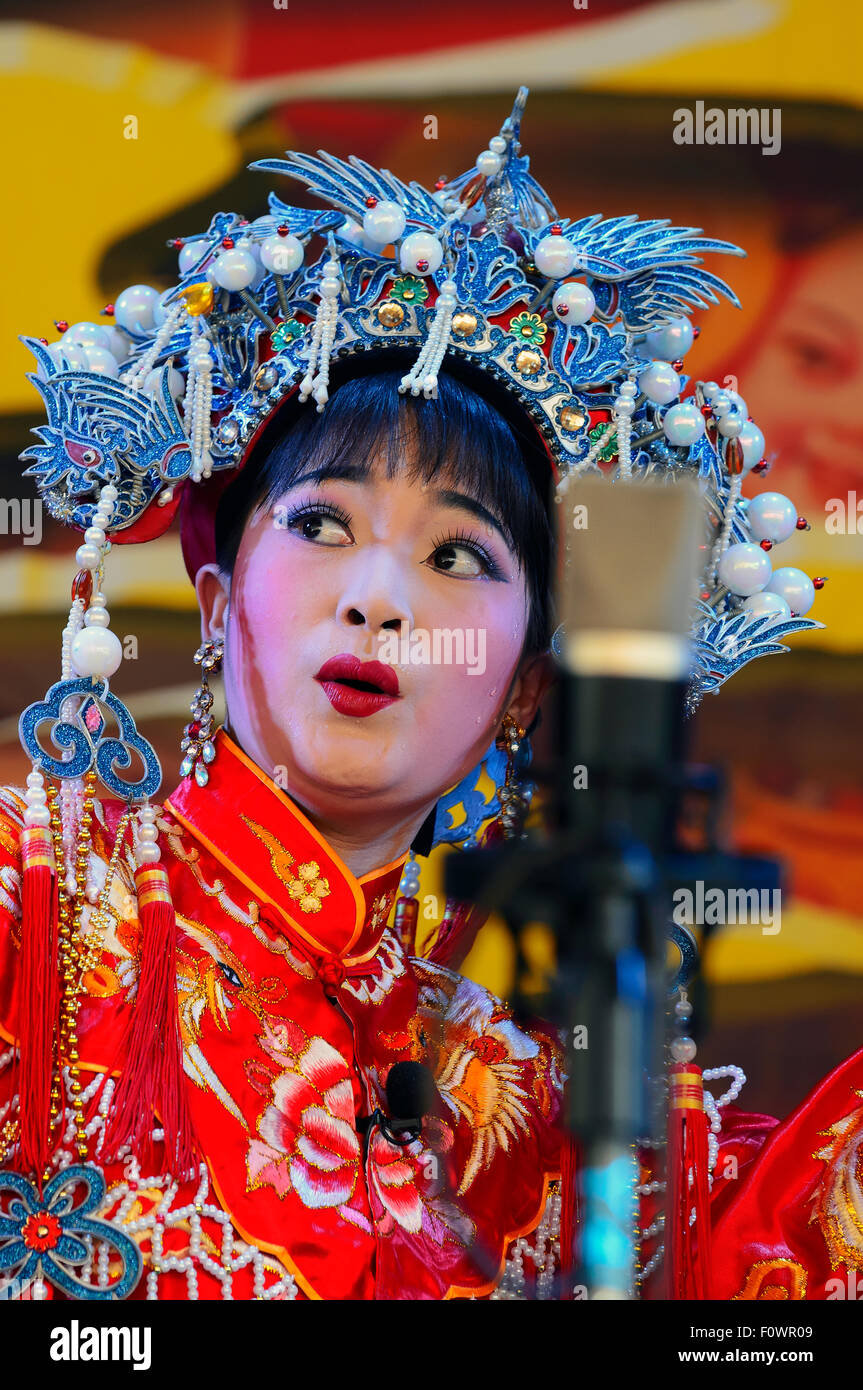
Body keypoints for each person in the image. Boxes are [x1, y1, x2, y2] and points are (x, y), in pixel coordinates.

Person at [0, 87, 858, 1301]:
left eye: (457, 554)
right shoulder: (40, 920)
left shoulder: (549, 1125)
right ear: (210, 603)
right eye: (320, 524)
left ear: (523, 688)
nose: (379, 598)